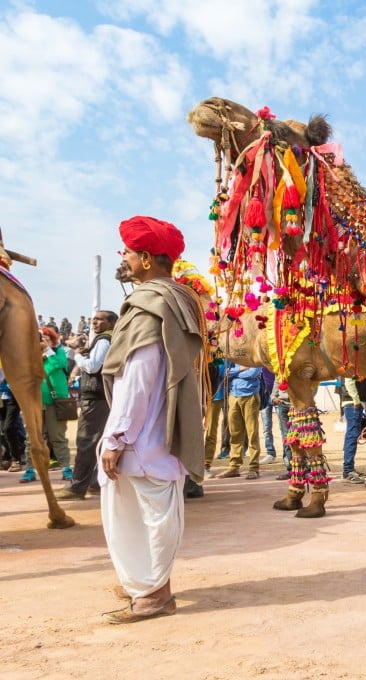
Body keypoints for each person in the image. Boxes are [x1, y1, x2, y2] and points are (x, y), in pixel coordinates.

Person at [98, 215, 205, 623]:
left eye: (127, 251)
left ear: (145, 258)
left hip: (142, 436)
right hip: (152, 432)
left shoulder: (149, 306)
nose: (123, 258)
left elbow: (138, 378)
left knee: (151, 517)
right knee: (145, 515)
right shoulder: (173, 300)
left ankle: (155, 592)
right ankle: (145, 586)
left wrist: (118, 436)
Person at [56, 310, 117, 500]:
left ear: (111, 323)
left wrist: (77, 355)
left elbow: (93, 366)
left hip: (95, 397)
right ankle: (94, 482)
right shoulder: (106, 339)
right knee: (97, 441)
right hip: (101, 396)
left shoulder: (104, 340)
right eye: (94, 319)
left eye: (100, 319)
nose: (95, 322)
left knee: (86, 440)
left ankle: (77, 486)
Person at [22, 326, 73, 483]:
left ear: (53, 340)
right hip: (34, 403)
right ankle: (30, 469)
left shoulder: (59, 354)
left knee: (57, 437)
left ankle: (66, 468)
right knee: (32, 438)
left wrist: (47, 350)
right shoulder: (29, 357)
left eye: (47, 339)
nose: (42, 342)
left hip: (55, 402)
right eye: (39, 339)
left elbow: (55, 366)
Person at [216, 362, 263, 479]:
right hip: (234, 396)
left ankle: (254, 468)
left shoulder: (254, 356)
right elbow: (225, 373)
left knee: (252, 434)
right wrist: (242, 369)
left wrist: (235, 372)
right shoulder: (234, 358)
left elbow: (253, 373)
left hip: (250, 396)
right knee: (234, 433)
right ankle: (234, 466)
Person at [338, 377, 366, 483]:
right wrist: (356, 400)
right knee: (352, 434)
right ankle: (348, 470)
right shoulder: (352, 362)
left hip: (354, 401)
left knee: (353, 434)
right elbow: (348, 381)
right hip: (353, 402)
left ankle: (349, 468)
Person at [259, 369, 279, 465]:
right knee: (266, 427)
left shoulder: (275, 359)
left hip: (278, 396)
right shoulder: (259, 360)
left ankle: (288, 454)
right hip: (265, 396)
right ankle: (270, 453)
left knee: (285, 427)